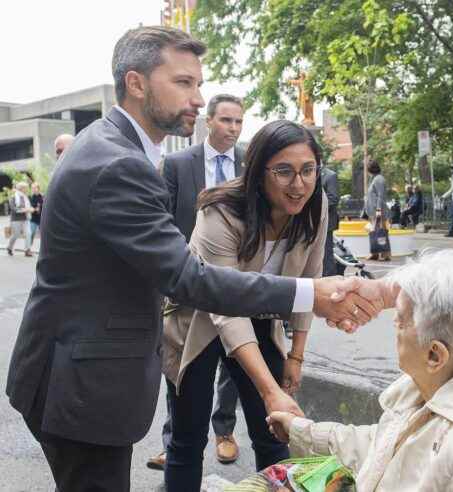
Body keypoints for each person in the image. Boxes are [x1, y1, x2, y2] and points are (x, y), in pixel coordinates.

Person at [5, 26, 379, 492]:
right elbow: (189, 278)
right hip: (81, 388)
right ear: (137, 83)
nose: (199, 99)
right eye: (184, 83)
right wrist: (312, 293)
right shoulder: (119, 164)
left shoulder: (111, 145)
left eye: (198, 84)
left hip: (73, 376)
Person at [268, 250, 453, 491]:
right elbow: (383, 447)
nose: (394, 325)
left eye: (401, 318)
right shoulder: (440, 386)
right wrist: (301, 431)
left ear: (435, 354)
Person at [162, 119, 328, 491]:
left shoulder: (316, 206)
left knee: (274, 434)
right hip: (199, 320)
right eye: (283, 171)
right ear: (258, 172)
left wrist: (295, 357)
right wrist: (271, 390)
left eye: (308, 170)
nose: (298, 184)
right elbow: (225, 307)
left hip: (258, 318)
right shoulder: (219, 209)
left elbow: (309, 285)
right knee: (187, 439)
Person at [147, 94, 247, 471]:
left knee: (231, 355)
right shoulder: (175, 164)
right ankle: (175, 441)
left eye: (238, 122)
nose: (233, 129)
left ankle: (224, 431)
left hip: (234, 280)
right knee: (180, 365)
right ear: (208, 121)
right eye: (226, 120)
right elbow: (165, 222)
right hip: (186, 283)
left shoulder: (249, 162)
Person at [364, 159, 390, 261]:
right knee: (375, 232)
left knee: (380, 232)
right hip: (374, 212)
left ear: (370, 169)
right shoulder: (375, 179)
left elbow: (380, 196)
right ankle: (375, 253)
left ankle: (385, 254)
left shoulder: (379, 179)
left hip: (378, 211)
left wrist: (378, 210)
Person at [320, 166, 339, 276]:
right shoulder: (312, 174)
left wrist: (316, 206)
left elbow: (333, 198)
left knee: (326, 253)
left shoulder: (330, 175)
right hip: (313, 222)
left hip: (326, 221)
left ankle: (329, 277)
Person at [6, 181, 34, 257]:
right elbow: (13, 208)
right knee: (15, 235)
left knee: (28, 233)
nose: (27, 189)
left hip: (26, 218)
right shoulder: (14, 197)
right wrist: (25, 210)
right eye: (25, 188)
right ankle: (9, 247)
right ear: (21, 188)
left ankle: (27, 250)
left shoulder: (25, 197)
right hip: (16, 219)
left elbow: (28, 206)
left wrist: (31, 209)